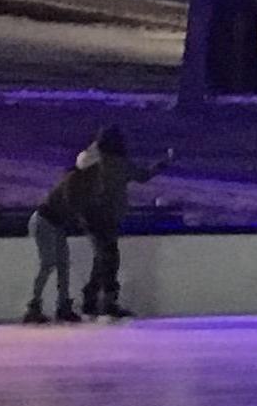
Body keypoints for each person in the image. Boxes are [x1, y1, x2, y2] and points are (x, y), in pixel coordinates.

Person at [78, 125, 171, 318]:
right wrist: (164, 162)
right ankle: (107, 302)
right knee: (109, 259)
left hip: (91, 216)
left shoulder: (94, 161)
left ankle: (91, 299)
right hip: (106, 217)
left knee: (102, 258)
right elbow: (143, 176)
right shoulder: (119, 164)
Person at [22, 146, 98, 326]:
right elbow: (74, 206)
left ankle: (63, 305)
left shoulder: (80, 181)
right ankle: (34, 307)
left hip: (55, 223)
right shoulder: (75, 181)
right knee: (48, 263)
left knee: (63, 264)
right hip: (45, 221)